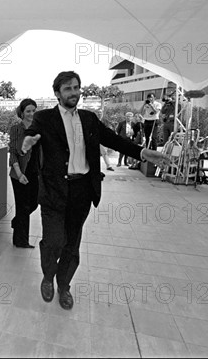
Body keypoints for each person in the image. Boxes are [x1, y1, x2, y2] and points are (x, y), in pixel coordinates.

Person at [21, 71, 170, 310]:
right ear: (58, 93)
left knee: (72, 244)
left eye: (76, 88)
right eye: (68, 89)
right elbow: (32, 131)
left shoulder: (89, 119)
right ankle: (48, 276)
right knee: (53, 241)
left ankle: (64, 285)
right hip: (54, 190)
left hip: (82, 190)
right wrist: (28, 140)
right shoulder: (45, 117)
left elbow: (115, 140)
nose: (74, 93)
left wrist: (142, 153)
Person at [8, 99, 40, 248]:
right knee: (22, 206)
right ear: (22, 112)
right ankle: (21, 241)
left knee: (34, 202)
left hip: (35, 172)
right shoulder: (16, 129)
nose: (31, 114)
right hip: (19, 173)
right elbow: (13, 153)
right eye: (28, 111)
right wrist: (19, 174)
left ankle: (16, 222)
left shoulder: (39, 128)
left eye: (33, 110)